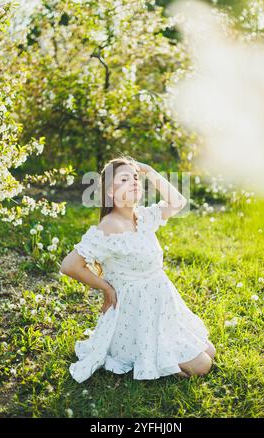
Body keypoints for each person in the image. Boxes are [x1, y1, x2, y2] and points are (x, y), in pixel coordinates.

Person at [61, 155, 216, 382]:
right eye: (124, 179)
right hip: (136, 314)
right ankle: (149, 355)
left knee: (209, 350)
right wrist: (106, 288)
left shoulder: (142, 217)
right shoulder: (109, 227)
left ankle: (168, 354)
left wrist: (149, 170)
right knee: (203, 365)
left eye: (135, 178)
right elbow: (69, 265)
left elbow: (178, 202)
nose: (134, 182)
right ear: (111, 192)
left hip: (161, 305)